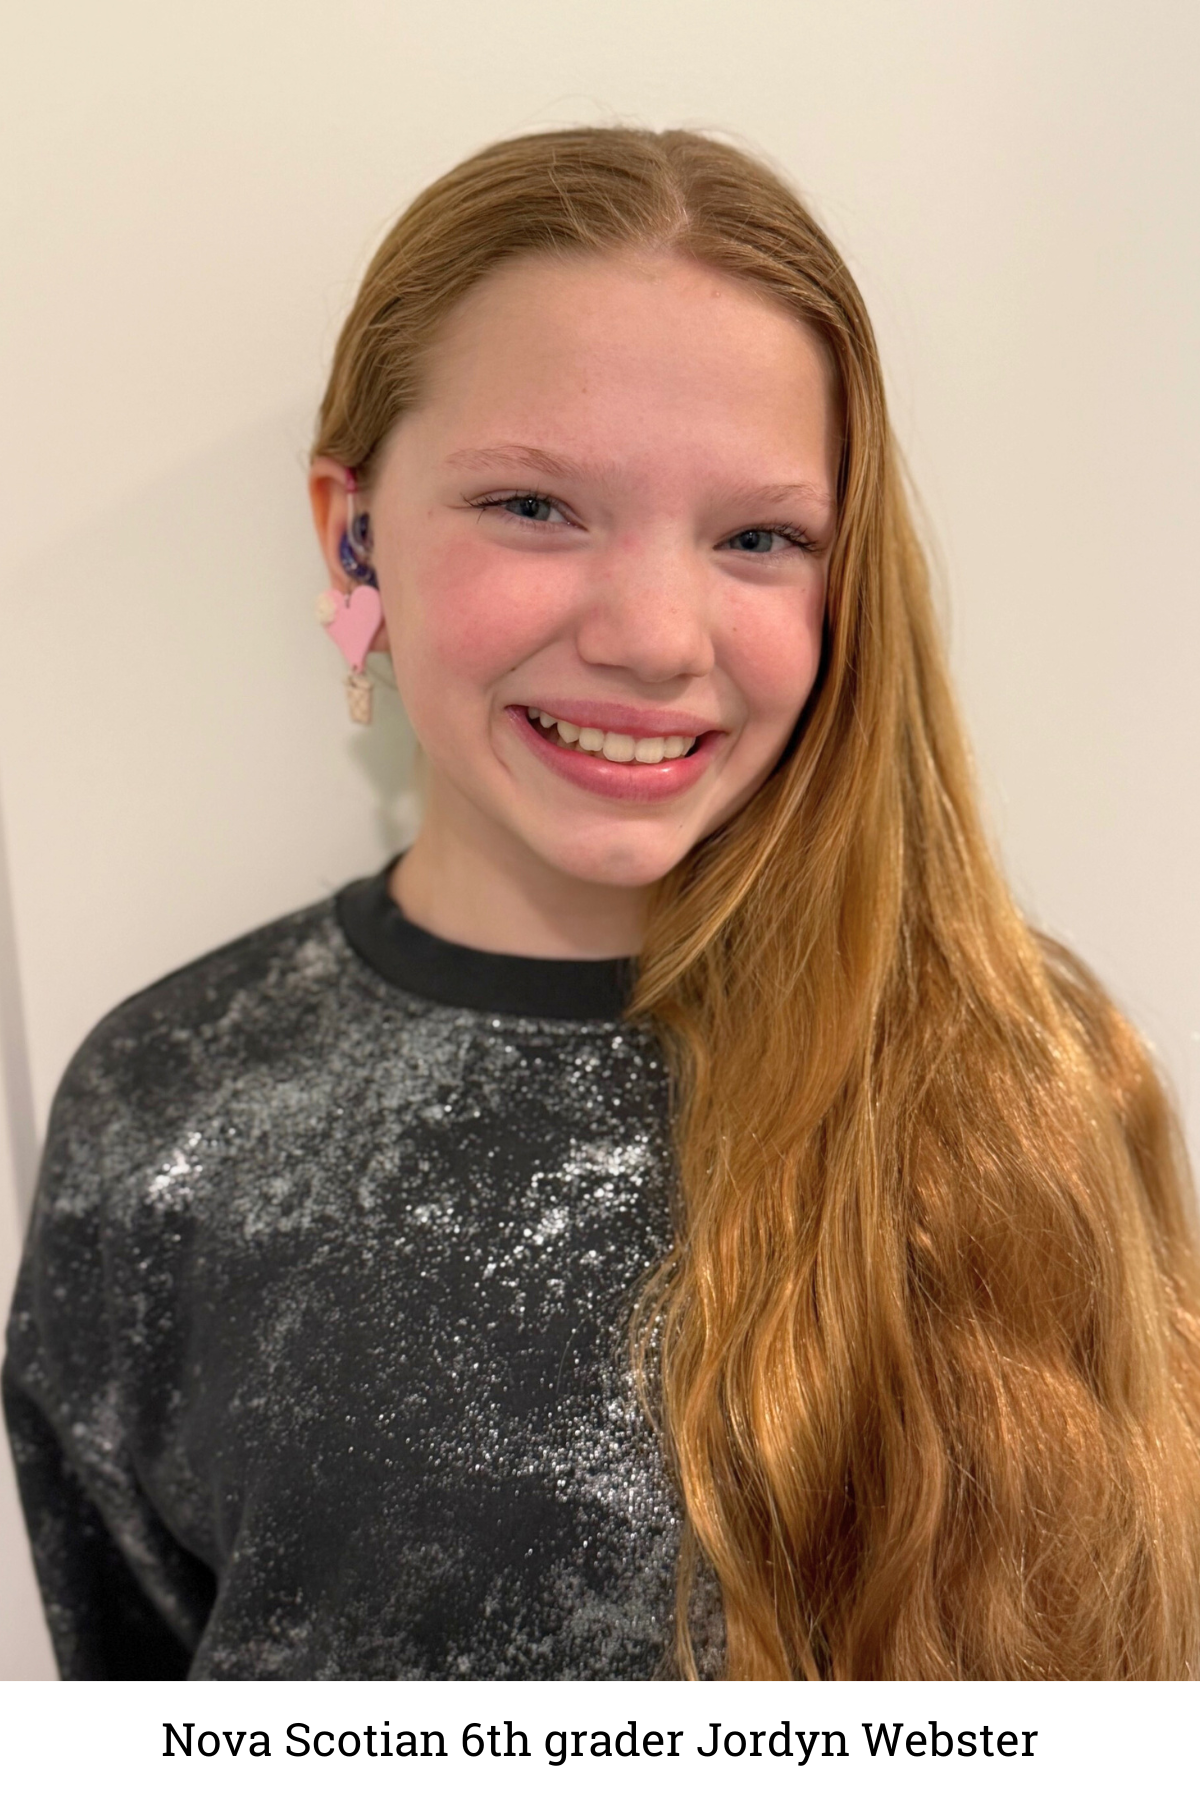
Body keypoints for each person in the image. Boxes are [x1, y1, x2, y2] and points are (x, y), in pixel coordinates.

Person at [5, 127, 1200, 1682]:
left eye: (759, 536)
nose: (652, 635)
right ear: (352, 532)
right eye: (535, 506)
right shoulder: (167, 1107)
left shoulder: (1030, 1064)